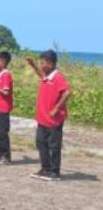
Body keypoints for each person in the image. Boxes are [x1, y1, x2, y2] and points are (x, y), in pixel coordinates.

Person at [26, 50, 71, 181]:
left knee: (54, 145)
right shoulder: (47, 75)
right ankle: (45, 168)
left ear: (51, 64)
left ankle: (55, 171)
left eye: (42, 63)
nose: (41, 65)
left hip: (54, 119)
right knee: (40, 143)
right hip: (43, 118)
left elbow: (67, 93)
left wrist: (56, 108)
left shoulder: (57, 76)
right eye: (40, 63)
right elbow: (42, 76)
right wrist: (33, 65)